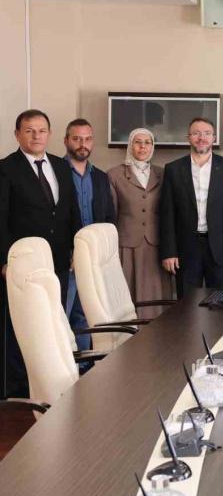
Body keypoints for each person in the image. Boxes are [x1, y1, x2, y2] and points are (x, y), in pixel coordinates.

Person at [0, 109, 81, 396]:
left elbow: (71, 210)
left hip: (57, 260)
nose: (36, 136)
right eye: (29, 130)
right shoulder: (5, 168)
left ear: (49, 134)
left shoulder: (61, 166)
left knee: (52, 323)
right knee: (21, 326)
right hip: (21, 264)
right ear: (17, 134)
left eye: (41, 130)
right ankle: (17, 388)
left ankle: (49, 385)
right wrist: (4, 261)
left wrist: (75, 249)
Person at [160, 118, 223, 298]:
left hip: (220, 249)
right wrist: (169, 252)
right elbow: (167, 214)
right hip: (186, 248)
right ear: (188, 138)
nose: (201, 138)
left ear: (214, 138)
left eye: (206, 133)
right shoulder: (173, 169)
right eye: (196, 133)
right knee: (186, 304)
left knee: (221, 302)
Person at [63, 118, 117, 350]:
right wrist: (70, 252)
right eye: (76, 139)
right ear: (66, 141)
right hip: (67, 260)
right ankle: (64, 365)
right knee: (61, 316)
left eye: (87, 139)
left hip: (92, 260)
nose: (82, 144)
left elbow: (109, 218)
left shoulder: (101, 177)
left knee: (85, 316)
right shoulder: (56, 171)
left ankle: (84, 365)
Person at [108, 128, 172, 315]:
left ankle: (156, 331)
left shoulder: (163, 174)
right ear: (130, 145)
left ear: (152, 146)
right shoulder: (114, 175)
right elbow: (111, 214)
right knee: (128, 293)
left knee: (155, 293)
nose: (142, 147)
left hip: (156, 244)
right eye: (138, 142)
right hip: (127, 244)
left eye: (147, 142)